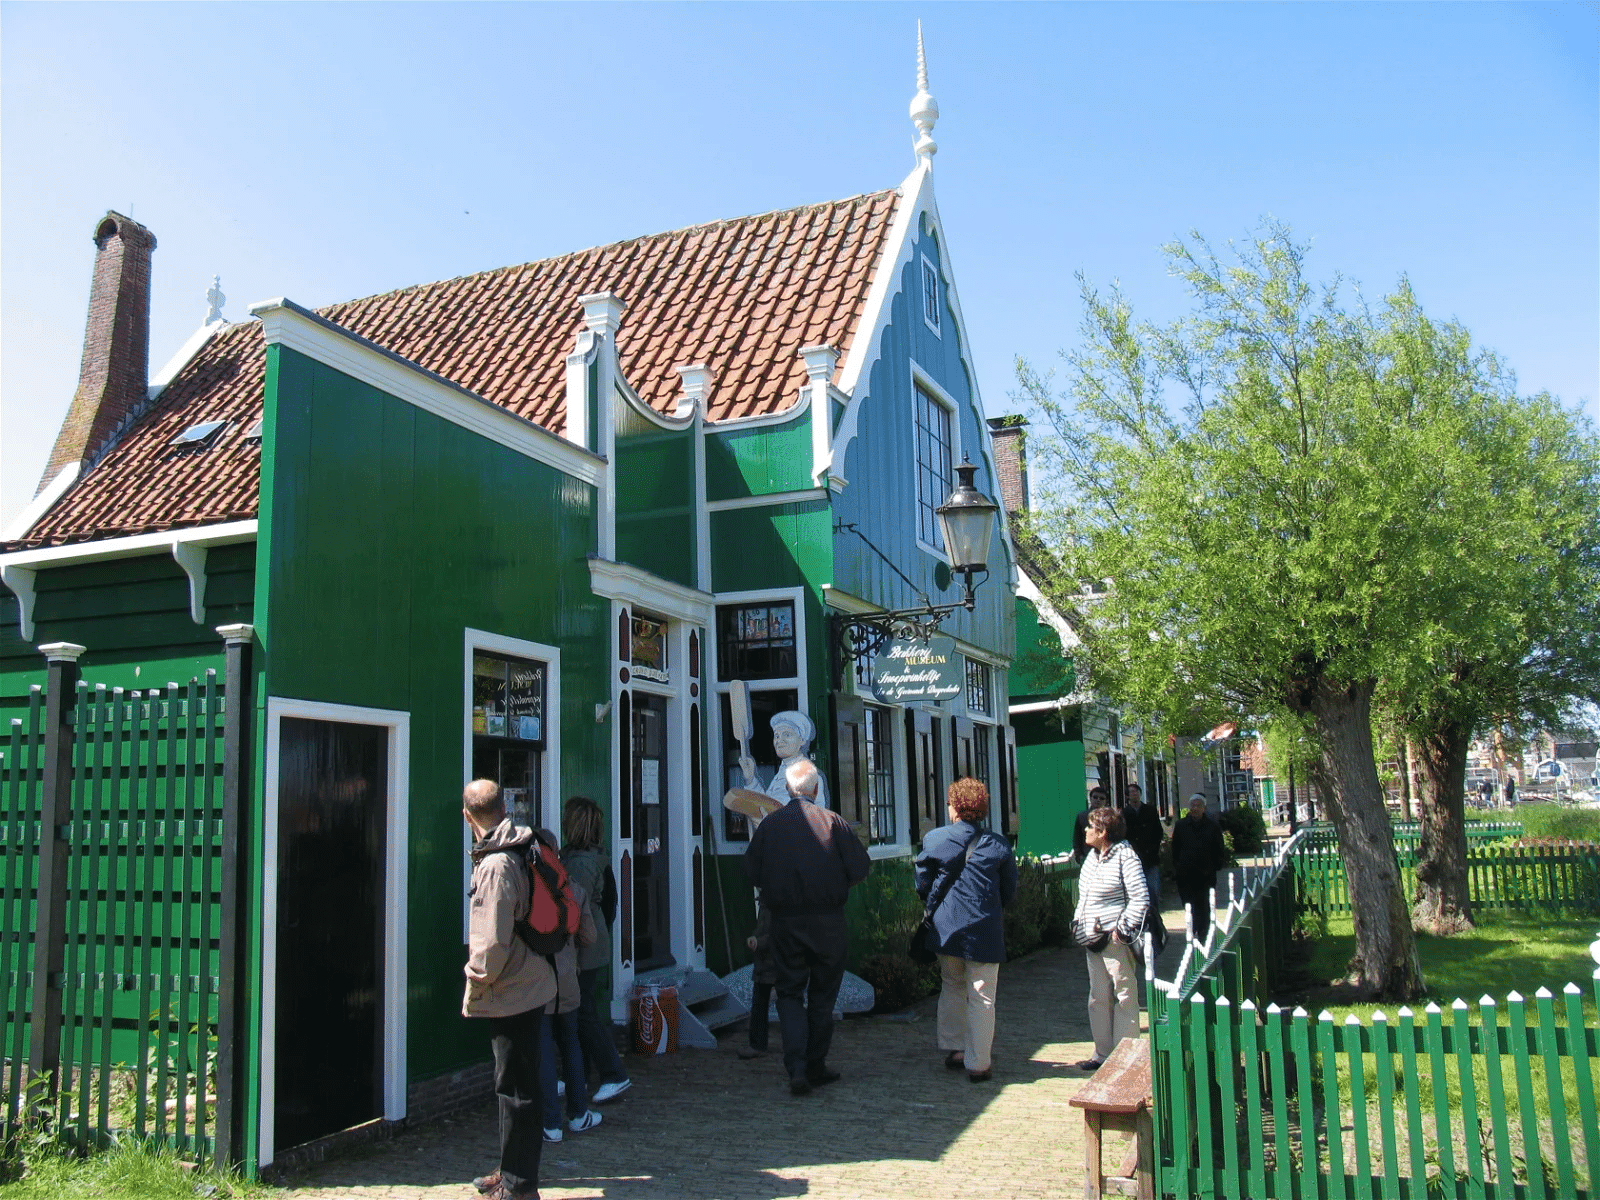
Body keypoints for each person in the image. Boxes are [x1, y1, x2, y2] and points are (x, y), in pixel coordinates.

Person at [742, 758, 871, 1095]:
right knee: (823, 996)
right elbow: (860, 868)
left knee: (788, 992)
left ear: (787, 789)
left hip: (785, 922)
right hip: (828, 921)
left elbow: (751, 873)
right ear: (815, 789)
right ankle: (815, 1064)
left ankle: (797, 1067)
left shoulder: (771, 826)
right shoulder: (834, 823)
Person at [462, 780, 554, 1200]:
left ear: (468, 817)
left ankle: (519, 1187)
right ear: (504, 806)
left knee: (516, 1090)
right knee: (514, 1086)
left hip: (513, 987)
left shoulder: (497, 865)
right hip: (530, 980)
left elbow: (493, 941)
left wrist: (476, 980)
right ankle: (510, 1171)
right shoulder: (521, 844)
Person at [915, 778, 1018, 1083]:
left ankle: (955, 1047)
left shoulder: (935, 839)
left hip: (947, 929)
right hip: (984, 928)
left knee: (952, 985)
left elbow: (922, 882)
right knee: (982, 996)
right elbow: (1009, 890)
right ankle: (978, 1063)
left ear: (956, 808)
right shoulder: (999, 844)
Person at [558, 797, 632, 1105]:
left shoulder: (577, 863)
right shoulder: (596, 858)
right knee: (581, 1010)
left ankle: (613, 1073)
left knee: (583, 1011)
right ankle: (580, 1074)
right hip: (596, 942)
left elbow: (575, 909)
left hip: (584, 947)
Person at [530, 828, 602, 1144]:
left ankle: (550, 1124)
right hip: (567, 980)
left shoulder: (525, 890)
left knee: (543, 1048)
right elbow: (589, 937)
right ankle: (578, 1114)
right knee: (571, 1045)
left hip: (536, 983)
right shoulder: (572, 889)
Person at [1072, 805, 1149, 1072]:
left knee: (1124, 994)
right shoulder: (1091, 857)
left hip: (1115, 939)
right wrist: (1077, 922)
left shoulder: (1126, 856)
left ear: (1103, 831)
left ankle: (1126, 1056)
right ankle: (1102, 1053)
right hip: (1090, 938)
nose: (1084, 829)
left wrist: (1122, 929)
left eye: (1090, 826)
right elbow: (1084, 896)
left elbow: (1140, 897)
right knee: (1098, 995)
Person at [740, 710, 831, 811]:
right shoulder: (782, 772)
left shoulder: (807, 776)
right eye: (777, 736)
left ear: (802, 740)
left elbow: (773, 810)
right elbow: (767, 805)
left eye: (787, 735)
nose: (779, 740)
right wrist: (751, 780)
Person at [1171, 794, 1226, 943]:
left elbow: (1219, 848)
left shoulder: (1212, 826)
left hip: (1206, 874)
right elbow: (1175, 848)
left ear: (1204, 808)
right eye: (1193, 805)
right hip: (1186, 874)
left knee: (1204, 905)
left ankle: (1203, 933)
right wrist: (1178, 866)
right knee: (1189, 904)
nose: (1195, 808)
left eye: (1198, 806)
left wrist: (1216, 865)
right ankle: (1192, 929)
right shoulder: (1181, 825)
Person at [736, 899, 777, 1059]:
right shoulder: (767, 904)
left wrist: (758, 942)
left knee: (762, 1001)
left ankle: (758, 1044)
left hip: (772, 961)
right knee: (762, 1001)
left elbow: (776, 933)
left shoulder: (773, 904)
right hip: (767, 961)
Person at [1120, 784, 1163, 907]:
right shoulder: (1124, 813)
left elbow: (1158, 832)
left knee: (1153, 889)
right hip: (1132, 858)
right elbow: (1122, 835)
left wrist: (1154, 848)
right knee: (1135, 890)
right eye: (1132, 792)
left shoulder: (1150, 810)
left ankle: (1154, 917)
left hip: (1150, 857)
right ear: (1127, 796)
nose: (1135, 794)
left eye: (1137, 792)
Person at [1072, 787, 1110, 863]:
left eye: (1102, 798)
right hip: (1087, 857)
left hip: (1106, 857)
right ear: (1090, 798)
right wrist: (1078, 855)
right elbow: (1077, 837)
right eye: (1095, 797)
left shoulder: (1110, 818)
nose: (1098, 800)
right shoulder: (1082, 816)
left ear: (1106, 801)